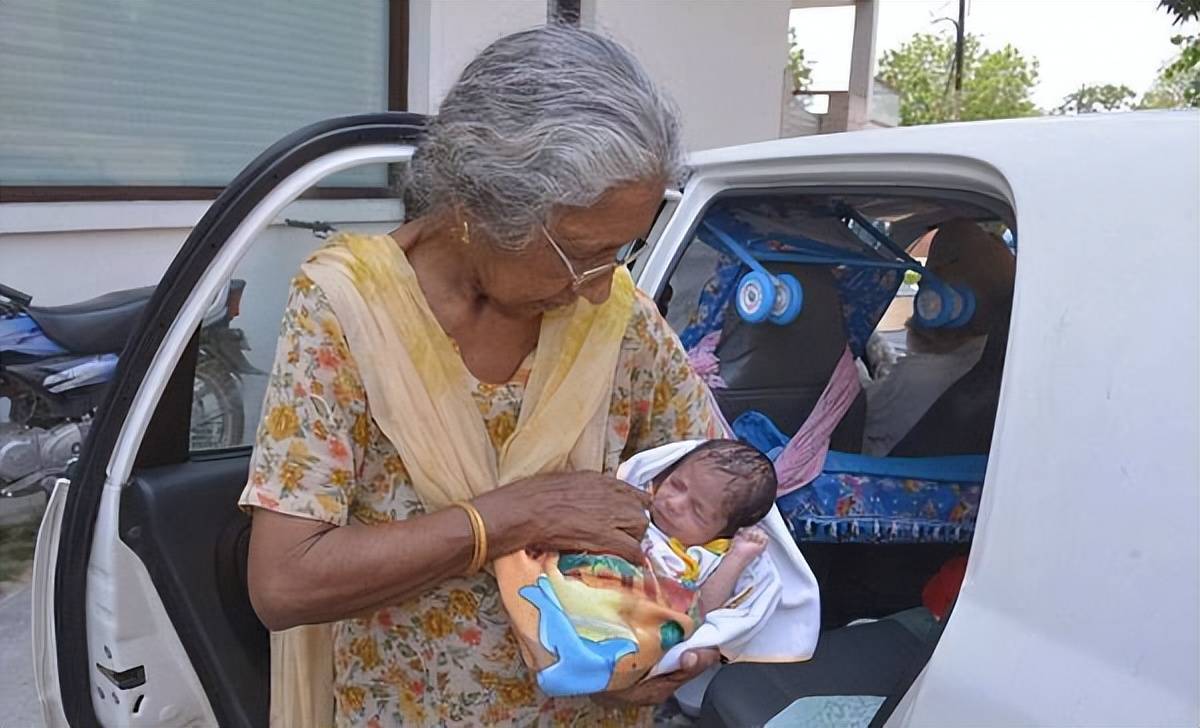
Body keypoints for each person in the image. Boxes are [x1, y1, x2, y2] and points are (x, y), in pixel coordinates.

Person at [239, 25, 727, 728]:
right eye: (585, 252)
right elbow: (285, 582)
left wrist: (684, 640)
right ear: (480, 208)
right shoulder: (349, 308)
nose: (598, 286)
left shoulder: (618, 319)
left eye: (623, 250)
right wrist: (512, 517)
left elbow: (729, 507)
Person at [860, 219, 1017, 456]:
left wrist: (850, 361)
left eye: (929, 280)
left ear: (942, 303)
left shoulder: (917, 377)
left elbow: (856, 413)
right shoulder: (998, 361)